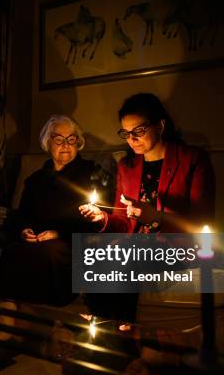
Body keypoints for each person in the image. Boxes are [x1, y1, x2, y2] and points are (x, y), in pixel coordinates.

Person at [79, 93, 216, 320]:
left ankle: (114, 331)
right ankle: (104, 326)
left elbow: (202, 223)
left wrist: (156, 218)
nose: (131, 139)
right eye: (126, 133)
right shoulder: (127, 166)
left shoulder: (193, 159)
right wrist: (101, 218)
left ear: (160, 125)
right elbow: (123, 222)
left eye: (139, 131)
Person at [0, 114, 112, 306]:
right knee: (12, 251)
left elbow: (100, 218)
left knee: (51, 253)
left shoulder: (93, 173)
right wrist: (24, 230)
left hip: (71, 241)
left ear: (78, 142)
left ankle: (47, 317)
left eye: (71, 139)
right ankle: (8, 315)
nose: (65, 144)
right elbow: (22, 214)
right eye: (58, 139)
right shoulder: (35, 180)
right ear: (47, 143)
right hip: (38, 238)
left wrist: (58, 233)